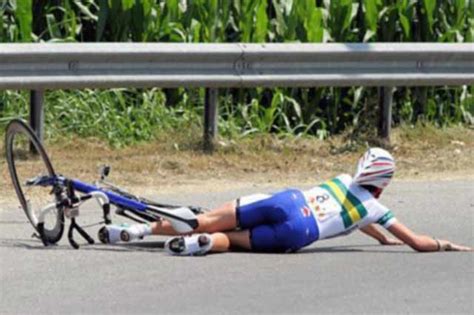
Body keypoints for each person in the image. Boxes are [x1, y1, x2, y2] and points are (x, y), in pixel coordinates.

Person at [105, 148, 472, 255]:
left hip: (286, 201)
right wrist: (446, 244)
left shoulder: (342, 180)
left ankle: (137, 230)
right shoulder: (375, 209)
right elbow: (418, 244)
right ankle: (195, 246)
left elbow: (360, 216)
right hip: (301, 231)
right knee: (231, 240)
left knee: (207, 218)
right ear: (384, 182)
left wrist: (376, 236)